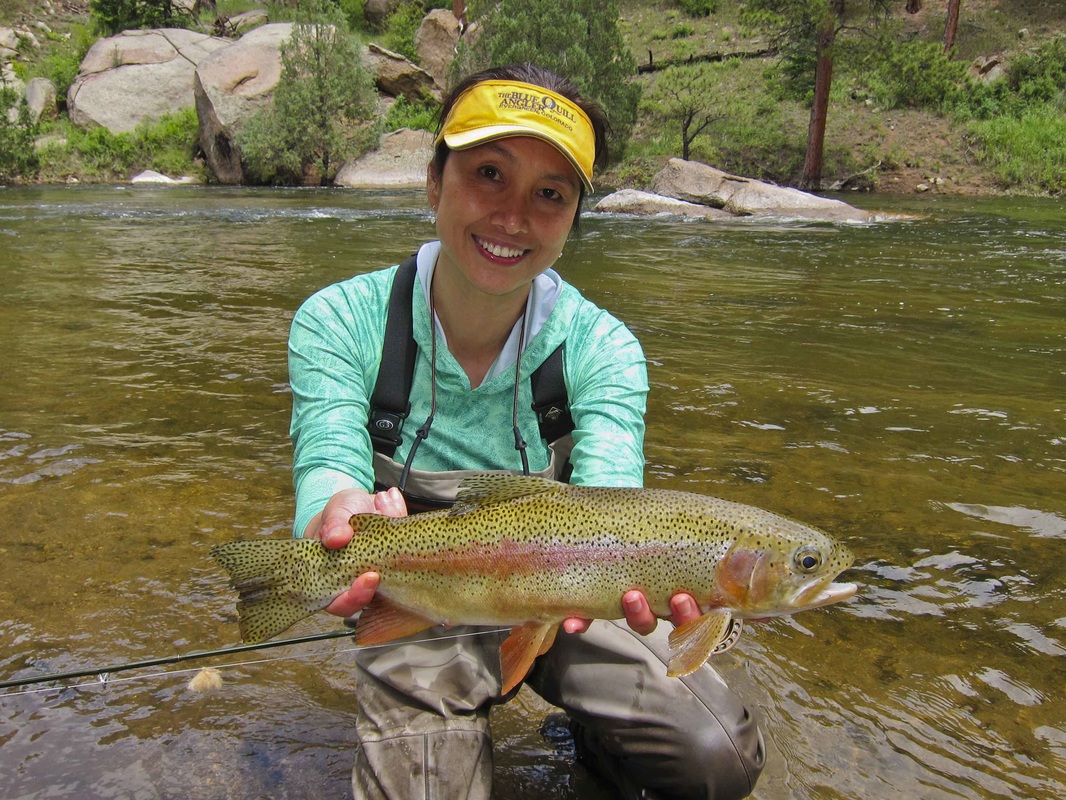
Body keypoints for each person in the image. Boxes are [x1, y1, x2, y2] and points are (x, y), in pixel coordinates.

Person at [287, 63, 765, 800]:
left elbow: (613, 496)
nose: (513, 217)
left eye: (550, 194)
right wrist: (331, 519)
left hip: (568, 582)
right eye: (488, 173)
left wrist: (665, 575)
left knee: (718, 760)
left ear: (575, 216)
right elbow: (328, 460)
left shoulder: (604, 346)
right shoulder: (339, 320)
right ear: (433, 181)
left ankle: (598, 746)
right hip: (424, 585)